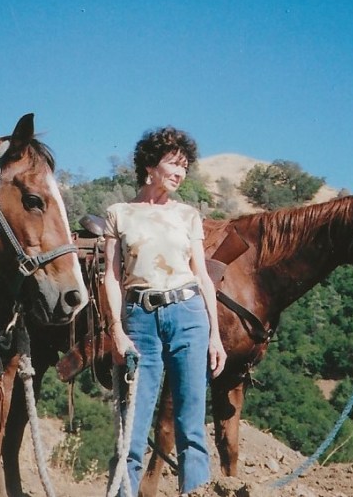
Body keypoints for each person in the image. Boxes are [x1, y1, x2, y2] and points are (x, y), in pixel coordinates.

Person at [103, 126, 227, 496]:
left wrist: (216, 336)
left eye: (184, 166)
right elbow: (112, 277)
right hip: (140, 321)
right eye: (173, 163)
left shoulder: (188, 215)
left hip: (189, 317)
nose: (180, 172)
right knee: (132, 429)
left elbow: (202, 277)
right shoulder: (120, 213)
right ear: (149, 166)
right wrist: (116, 330)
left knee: (191, 428)